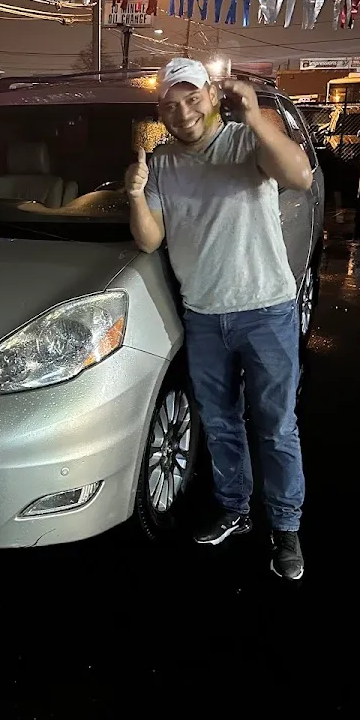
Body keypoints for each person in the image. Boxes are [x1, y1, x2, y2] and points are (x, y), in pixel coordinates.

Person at [125, 58, 314, 581]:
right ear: (161, 111)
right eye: (170, 104)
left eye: (192, 98)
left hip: (266, 310)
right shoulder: (161, 163)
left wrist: (255, 118)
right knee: (221, 422)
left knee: (276, 426)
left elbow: (299, 176)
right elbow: (150, 239)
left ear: (211, 96)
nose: (183, 112)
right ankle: (235, 509)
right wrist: (135, 194)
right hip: (205, 316)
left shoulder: (245, 142)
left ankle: (286, 528)